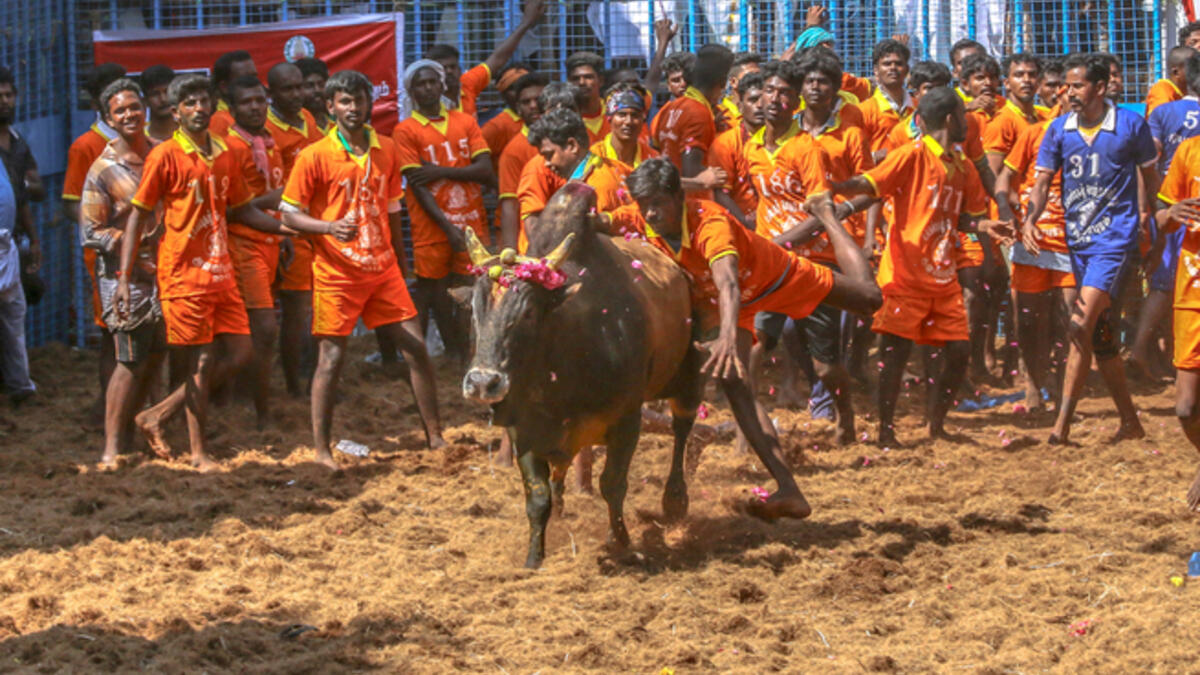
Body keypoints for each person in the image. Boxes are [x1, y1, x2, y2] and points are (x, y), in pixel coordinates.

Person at [606, 158, 880, 519]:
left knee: (870, 300)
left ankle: (828, 214)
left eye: (658, 203)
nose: (651, 214)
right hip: (728, 306)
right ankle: (788, 489)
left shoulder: (710, 220)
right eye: (644, 205)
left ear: (679, 197)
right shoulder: (637, 217)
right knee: (735, 381)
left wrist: (726, 336)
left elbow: (729, 281)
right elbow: (596, 221)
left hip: (772, 277)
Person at [120, 74, 291, 470]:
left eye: (204, 102)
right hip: (184, 273)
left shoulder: (226, 150)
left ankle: (158, 414)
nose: (199, 109)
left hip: (221, 271)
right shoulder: (164, 155)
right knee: (200, 361)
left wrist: (291, 228)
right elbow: (137, 216)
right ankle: (198, 454)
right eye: (190, 104)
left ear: (213, 106)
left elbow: (244, 210)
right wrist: (126, 279)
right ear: (176, 111)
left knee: (241, 351)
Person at [281, 69, 445, 468]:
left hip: (383, 269)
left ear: (370, 103)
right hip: (337, 274)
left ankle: (437, 437)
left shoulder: (386, 149)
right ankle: (321, 450)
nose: (353, 108)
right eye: (345, 101)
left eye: (359, 100)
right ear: (330, 106)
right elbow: (288, 216)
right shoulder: (314, 155)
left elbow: (392, 214)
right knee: (331, 360)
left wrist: (402, 267)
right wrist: (327, 228)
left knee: (416, 348)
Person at [836, 87, 1005, 446]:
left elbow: (967, 219)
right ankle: (886, 430)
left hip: (943, 279)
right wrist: (833, 186)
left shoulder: (962, 167)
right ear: (950, 119)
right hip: (905, 277)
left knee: (958, 353)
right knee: (894, 357)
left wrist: (986, 226)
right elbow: (870, 184)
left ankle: (936, 424)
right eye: (963, 114)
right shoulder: (910, 155)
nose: (968, 121)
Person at [1023, 54, 1157, 445]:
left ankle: (1060, 428)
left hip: (1114, 242)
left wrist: (1151, 222)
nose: (1070, 92)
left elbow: (1151, 176)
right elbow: (1043, 181)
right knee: (1099, 339)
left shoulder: (1131, 125)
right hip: (1077, 243)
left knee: (1079, 325)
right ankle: (1131, 422)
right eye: (1067, 85)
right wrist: (1030, 219)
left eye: (1078, 85)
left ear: (1100, 88)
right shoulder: (1058, 130)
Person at [775, 49, 877, 444]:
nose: (815, 88)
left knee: (835, 328)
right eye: (809, 82)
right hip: (793, 244)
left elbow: (872, 189)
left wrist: (851, 224)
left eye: (823, 82)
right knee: (787, 329)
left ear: (836, 90)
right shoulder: (789, 134)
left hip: (837, 244)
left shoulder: (850, 134)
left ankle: (830, 397)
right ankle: (822, 387)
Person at [79, 78, 165, 468]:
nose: (129, 114)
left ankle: (137, 431)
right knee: (128, 359)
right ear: (107, 119)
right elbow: (91, 231)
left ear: (144, 109)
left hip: (167, 272)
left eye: (134, 106)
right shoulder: (102, 169)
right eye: (119, 110)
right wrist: (136, 246)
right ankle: (112, 448)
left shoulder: (164, 154)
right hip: (124, 277)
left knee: (155, 356)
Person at [393, 60, 494, 364]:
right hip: (431, 227)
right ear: (411, 91)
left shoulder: (464, 121)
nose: (427, 88)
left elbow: (485, 169)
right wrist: (448, 228)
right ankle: (446, 354)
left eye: (431, 82)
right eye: (420, 84)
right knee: (434, 292)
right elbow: (418, 185)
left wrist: (439, 170)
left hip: (471, 221)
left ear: (441, 84)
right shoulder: (405, 130)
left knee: (471, 290)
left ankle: (468, 353)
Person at [995, 103, 1077, 412]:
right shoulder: (1034, 133)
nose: (1072, 97)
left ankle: (1064, 388)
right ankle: (1033, 383)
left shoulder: (1096, 137)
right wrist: (1006, 212)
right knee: (1029, 319)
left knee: (1072, 318)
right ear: (1058, 96)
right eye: (1066, 90)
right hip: (1033, 238)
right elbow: (1004, 177)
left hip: (1075, 241)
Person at [1129, 53, 1200, 380]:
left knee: (1164, 283)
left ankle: (1144, 350)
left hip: (1173, 207)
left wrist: (1148, 211)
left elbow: (1149, 163)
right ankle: (1145, 351)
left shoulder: (1162, 113)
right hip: (1185, 211)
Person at [62, 63, 127, 423]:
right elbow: (71, 203)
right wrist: (105, 227)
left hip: (140, 250)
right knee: (111, 336)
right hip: (105, 255)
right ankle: (107, 411)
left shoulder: (138, 139)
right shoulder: (86, 146)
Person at [224, 75, 286, 428]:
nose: (255, 107)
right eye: (247, 102)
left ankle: (247, 401)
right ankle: (259, 412)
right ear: (232, 109)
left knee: (257, 332)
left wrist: (285, 237)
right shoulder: (230, 147)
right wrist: (269, 202)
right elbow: (230, 208)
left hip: (272, 244)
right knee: (262, 330)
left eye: (260, 101)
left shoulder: (267, 141)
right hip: (244, 246)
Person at [1154, 129, 1200, 510]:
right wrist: (1171, 213)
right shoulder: (1189, 151)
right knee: (1185, 408)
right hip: (1192, 297)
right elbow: (1161, 217)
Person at [424, 0, 545, 117]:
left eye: (453, 67)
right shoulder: (425, 101)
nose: (449, 71)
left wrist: (526, 23)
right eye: (444, 68)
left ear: (460, 69)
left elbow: (498, 58)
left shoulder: (467, 83)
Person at [650, 44, 732, 177]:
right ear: (722, 83)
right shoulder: (698, 112)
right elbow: (691, 171)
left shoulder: (667, 110)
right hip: (694, 196)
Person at [494, 72, 548, 250]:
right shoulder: (513, 151)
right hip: (531, 244)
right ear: (518, 109)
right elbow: (510, 206)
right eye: (526, 102)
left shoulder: (567, 140)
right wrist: (511, 255)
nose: (533, 106)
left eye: (538, 100)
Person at [710, 71, 765, 229]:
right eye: (753, 100)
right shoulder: (725, 143)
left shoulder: (784, 141)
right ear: (740, 106)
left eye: (763, 100)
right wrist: (744, 221)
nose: (760, 105)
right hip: (741, 227)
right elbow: (719, 192)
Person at [858, 38, 912, 160]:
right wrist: (875, 156)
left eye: (898, 63)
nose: (893, 68)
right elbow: (854, 158)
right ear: (876, 71)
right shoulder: (863, 112)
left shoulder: (919, 108)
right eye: (887, 64)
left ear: (907, 70)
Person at [481, 64, 533, 167]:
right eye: (513, 88)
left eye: (524, 86)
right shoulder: (496, 127)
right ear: (503, 95)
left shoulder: (544, 118)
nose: (519, 92)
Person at [209, 50, 258, 137]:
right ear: (224, 87)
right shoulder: (219, 121)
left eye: (254, 76)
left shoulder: (261, 111)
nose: (253, 82)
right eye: (245, 79)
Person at [566, 51, 610, 141]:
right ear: (569, 83)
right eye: (576, 78)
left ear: (601, 81)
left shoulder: (614, 113)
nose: (582, 83)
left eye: (588, 77)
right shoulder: (565, 118)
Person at [717, 52, 764, 131]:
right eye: (750, 75)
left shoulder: (767, 111)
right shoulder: (719, 114)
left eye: (759, 75)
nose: (756, 79)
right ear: (733, 82)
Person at [1146, 46, 1195, 116]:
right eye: (1193, 68)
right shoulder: (1162, 91)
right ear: (1176, 72)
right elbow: (1161, 120)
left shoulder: (1186, 93)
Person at [139, 64, 176, 144]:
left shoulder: (190, 133)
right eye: (155, 94)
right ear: (145, 101)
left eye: (166, 92)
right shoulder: (139, 139)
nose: (163, 99)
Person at [295, 57, 332, 132]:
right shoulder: (295, 126)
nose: (317, 90)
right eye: (309, 86)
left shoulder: (337, 120)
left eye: (321, 85)